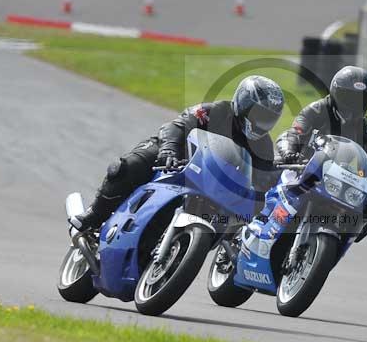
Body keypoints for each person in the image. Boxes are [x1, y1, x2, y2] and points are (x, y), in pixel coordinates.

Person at [70, 75, 285, 232]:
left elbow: (263, 180)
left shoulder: (263, 145)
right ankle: (94, 214)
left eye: (269, 118)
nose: (262, 122)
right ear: (243, 104)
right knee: (128, 166)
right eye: (259, 114)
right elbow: (177, 125)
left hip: (211, 187)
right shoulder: (214, 111)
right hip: (176, 159)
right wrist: (168, 150)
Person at [274, 65, 367, 242]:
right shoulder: (317, 110)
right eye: (349, 98)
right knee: (270, 184)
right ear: (336, 93)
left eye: (361, 99)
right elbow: (295, 132)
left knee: (356, 223)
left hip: (337, 182)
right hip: (302, 168)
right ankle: (252, 224)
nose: (355, 105)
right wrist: (290, 152)